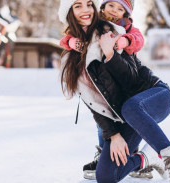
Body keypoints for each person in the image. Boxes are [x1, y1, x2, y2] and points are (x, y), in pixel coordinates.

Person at [58, 0, 170, 183]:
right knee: (106, 176)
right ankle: (147, 158)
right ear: (69, 12)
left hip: (153, 96)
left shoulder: (112, 32)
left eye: (89, 4)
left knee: (131, 107)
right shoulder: (71, 55)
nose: (86, 10)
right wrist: (113, 135)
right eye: (77, 6)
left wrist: (110, 54)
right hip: (126, 116)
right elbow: (93, 103)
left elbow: (132, 81)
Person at [60, 0, 147, 179]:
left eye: (120, 9)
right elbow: (67, 36)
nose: (114, 11)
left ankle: (134, 154)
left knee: (126, 118)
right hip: (103, 84)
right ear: (103, 7)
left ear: (126, 14)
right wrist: (71, 42)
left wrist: (125, 41)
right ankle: (103, 153)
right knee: (103, 120)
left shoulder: (127, 28)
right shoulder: (94, 23)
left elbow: (139, 40)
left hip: (123, 79)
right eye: (111, 6)